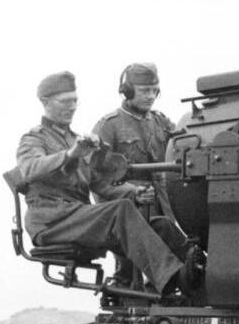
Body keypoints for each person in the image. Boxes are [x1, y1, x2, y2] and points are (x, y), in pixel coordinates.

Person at [17, 70, 186, 296]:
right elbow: (29, 168)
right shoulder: (34, 139)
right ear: (45, 102)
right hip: (51, 222)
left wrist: (134, 192)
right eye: (65, 101)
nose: (72, 106)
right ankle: (174, 278)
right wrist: (71, 154)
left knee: (161, 226)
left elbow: (101, 184)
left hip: (76, 216)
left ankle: (197, 275)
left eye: (75, 100)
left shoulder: (76, 140)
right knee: (121, 211)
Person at [92, 62, 182, 288]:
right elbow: (97, 180)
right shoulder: (108, 126)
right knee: (130, 275)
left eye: (155, 91)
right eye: (144, 91)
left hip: (162, 202)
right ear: (127, 91)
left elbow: (183, 143)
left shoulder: (160, 121)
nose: (151, 96)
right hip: (128, 208)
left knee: (167, 259)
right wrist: (131, 193)